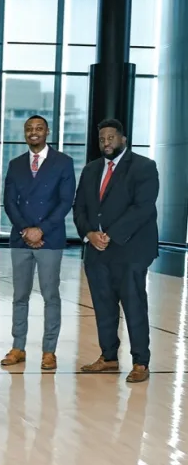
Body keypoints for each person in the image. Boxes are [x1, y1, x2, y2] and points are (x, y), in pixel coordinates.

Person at [74, 119, 159, 384]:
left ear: (123, 139)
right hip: (97, 251)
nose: (106, 142)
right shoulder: (90, 170)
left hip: (129, 249)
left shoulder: (144, 167)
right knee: (103, 306)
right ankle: (108, 357)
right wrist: (89, 233)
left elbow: (143, 207)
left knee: (134, 306)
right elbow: (80, 208)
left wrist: (110, 235)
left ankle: (140, 362)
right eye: (102, 138)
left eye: (111, 137)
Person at [1, 115, 76, 371]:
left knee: (50, 296)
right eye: (29, 129)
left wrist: (40, 230)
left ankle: (49, 351)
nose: (34, 133)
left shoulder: (63, 163)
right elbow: (9, 202)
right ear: (25, 133)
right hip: (21, 240)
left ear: (47, 131)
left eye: (39, 128)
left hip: (50, 239)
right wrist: (25, 230)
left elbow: (65, 201)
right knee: (19, 296)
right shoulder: (15, 164)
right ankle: (18, 347)